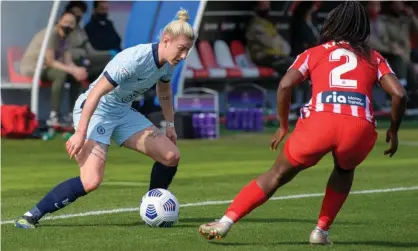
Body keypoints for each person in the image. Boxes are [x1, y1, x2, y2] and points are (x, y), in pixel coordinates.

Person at [198, 1, 407, 245]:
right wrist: (393, 129)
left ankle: (225, 222)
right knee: (344, 170)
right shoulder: (374, 57)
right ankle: (320, 231)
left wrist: (283, 125)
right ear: (363, 27)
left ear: (332, 24)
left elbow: (285, 85)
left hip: (319, 123)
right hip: (358, 127)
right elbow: (399, 94)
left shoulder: (313, 53)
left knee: (277, 174)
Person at [14, 8, 195, 229]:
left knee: (170, 155)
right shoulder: (134, 59)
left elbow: (164, 91)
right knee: (91, 181)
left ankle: (152, 206)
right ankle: (32, 215)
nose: (184, 55)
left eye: (188, 50)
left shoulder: (168, 63)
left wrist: (170, 125)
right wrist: (80, 133)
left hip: (122, 111)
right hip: (95, 110)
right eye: (182, 49)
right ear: (166, 40)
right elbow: (94, 94)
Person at [20, 11, 88, 127]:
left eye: (71, 23)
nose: (68, 25)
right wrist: (72, 70)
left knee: (75, 77)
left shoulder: (66, 37)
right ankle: (54, 115)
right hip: (33, 67)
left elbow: (68, 61)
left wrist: (78, 71)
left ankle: (72, 114)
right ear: (59, 21)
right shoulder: (52, 34)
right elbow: (50, 61)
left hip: (46, 68)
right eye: (66, 22)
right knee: (60, 74)